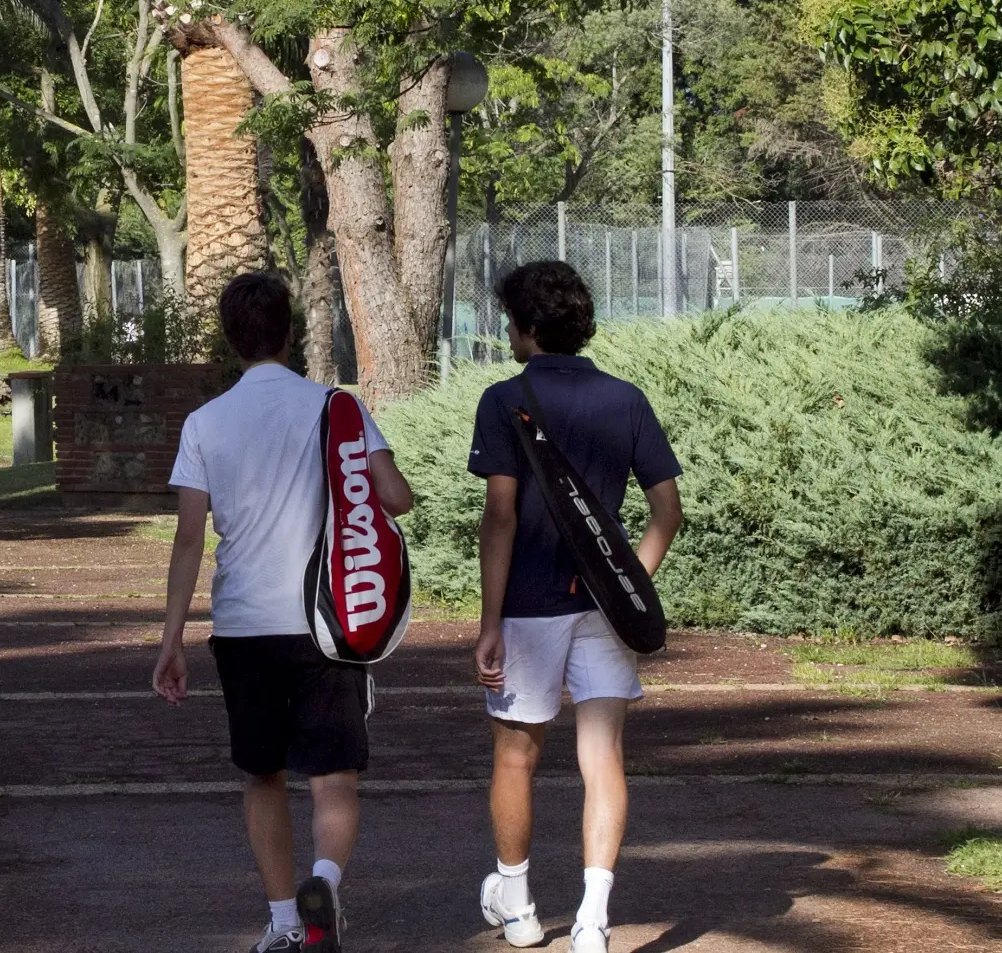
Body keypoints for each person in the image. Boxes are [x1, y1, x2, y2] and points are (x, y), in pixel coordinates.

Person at [153, 272, 414, 953]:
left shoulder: (205, 423)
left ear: (229, 339)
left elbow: (188, 538)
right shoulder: (336, 406)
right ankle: (324, 878)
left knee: (261, 774)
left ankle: (281, 922)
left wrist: (172, 639)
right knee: (334, 775)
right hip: (330, 622)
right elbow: (395, 495)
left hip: (243, 625)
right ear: (290, 332)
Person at [467, 261, 683, 953]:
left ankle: (520, 905)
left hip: (528, 606)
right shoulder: (626, 398)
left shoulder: (505, 399)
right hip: (602, 608)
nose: (506, 331)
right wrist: (624, 585)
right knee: (603, 755)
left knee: (516, 758)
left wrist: (489, 622)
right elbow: (667, 512)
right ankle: (593, 919)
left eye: (509, 320)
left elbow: (500, 516)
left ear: (529, 327)